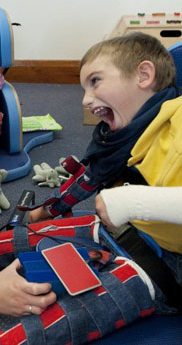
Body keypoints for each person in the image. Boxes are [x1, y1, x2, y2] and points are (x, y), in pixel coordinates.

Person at [0, 32, 182, 344]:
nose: (84, 100)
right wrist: (44, 212)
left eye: (95, 81)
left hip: (162, 268)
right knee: (14, 239)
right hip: (119, 230)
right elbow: (89, 177)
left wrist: (132, 201)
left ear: (144, 74)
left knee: (45, 327)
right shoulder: (128, 135)